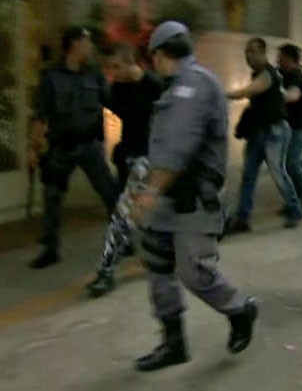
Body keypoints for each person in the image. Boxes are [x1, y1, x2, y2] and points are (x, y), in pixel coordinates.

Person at [129, 21, 257, 372]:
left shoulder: (193, 86)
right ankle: (173, 341)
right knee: (157, 262)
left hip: (192, 199)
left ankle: (240, 309)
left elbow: (178, 149)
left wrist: (149, 193)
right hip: (170, 195)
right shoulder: (177, 85)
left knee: (195, 272)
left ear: (158, 54)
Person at [27, 26, 119, 269]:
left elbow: (113, 103)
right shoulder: (51, 76)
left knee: (110, 194)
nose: (90, 47)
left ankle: (122, 240)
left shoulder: (94, 75)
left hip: (90, 145)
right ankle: (51, 249)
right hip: (62, 147)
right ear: (75, 45)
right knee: (52, 197)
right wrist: (33, 149)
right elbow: (41, 114)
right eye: (86, 42)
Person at [86, 43, 163, 297]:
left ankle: (106, 271)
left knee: (123, 214)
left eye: (116, 66)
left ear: (132, 61)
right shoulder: (119, 86)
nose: (113, 72)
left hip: (148, 158)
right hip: (128, 155)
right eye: (109, 67)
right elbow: (123, 114)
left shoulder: (155, 85)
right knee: (126, 211)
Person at [226, 38, 302, 233]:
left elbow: (249, 91)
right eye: (246, 52)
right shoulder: (259, 74)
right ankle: (242, 219)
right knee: (248, 175)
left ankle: (295, 209)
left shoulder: (268, 74)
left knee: (278, 173)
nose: (248, 55)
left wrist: (222, 93)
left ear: (263, 52)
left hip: (274, 131)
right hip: (258, 132)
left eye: (252, 51)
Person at [278, 43, 302, 212]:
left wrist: (276, 96)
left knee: (292, 163)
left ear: (289, 58)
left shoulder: (296, 75)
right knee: (286, 165)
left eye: (281, 56)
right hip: (289, 125)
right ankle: (294, 199)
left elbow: (293, 95)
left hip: (299, 126)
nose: (278, 59)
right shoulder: (283, 74)